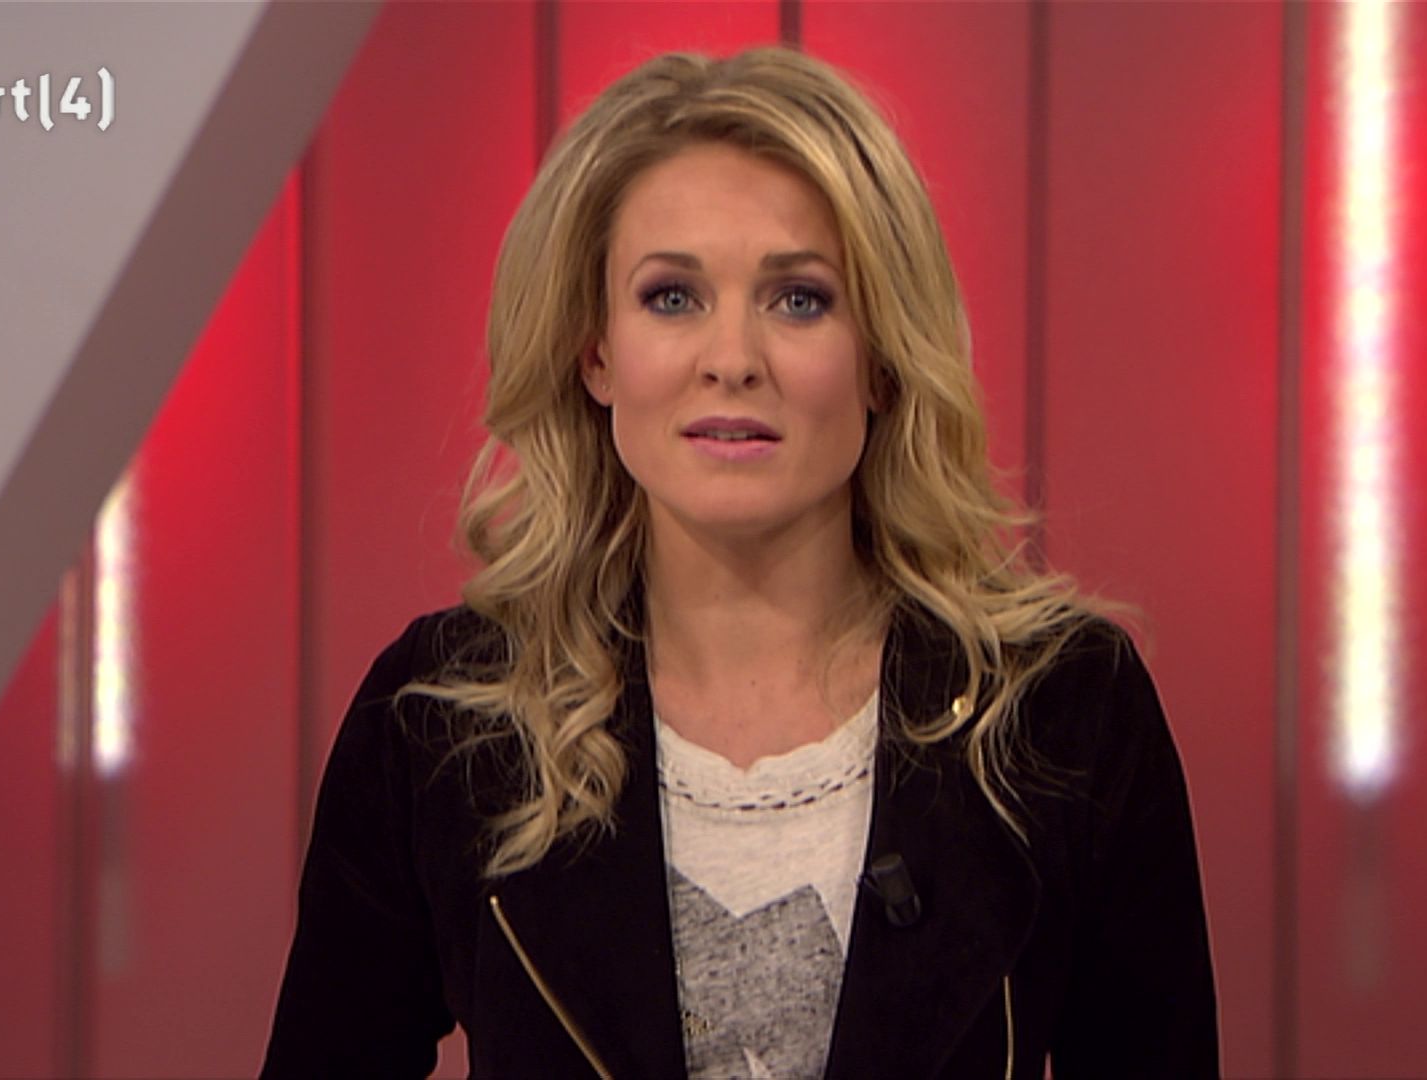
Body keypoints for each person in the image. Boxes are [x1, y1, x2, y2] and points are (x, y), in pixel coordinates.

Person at [263, 46, 1216, 1079]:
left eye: (798, 299)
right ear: (596, 353)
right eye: (672, 297)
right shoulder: (444, 722)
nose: (732, 360)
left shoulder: (1063, 711)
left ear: (881, 360)